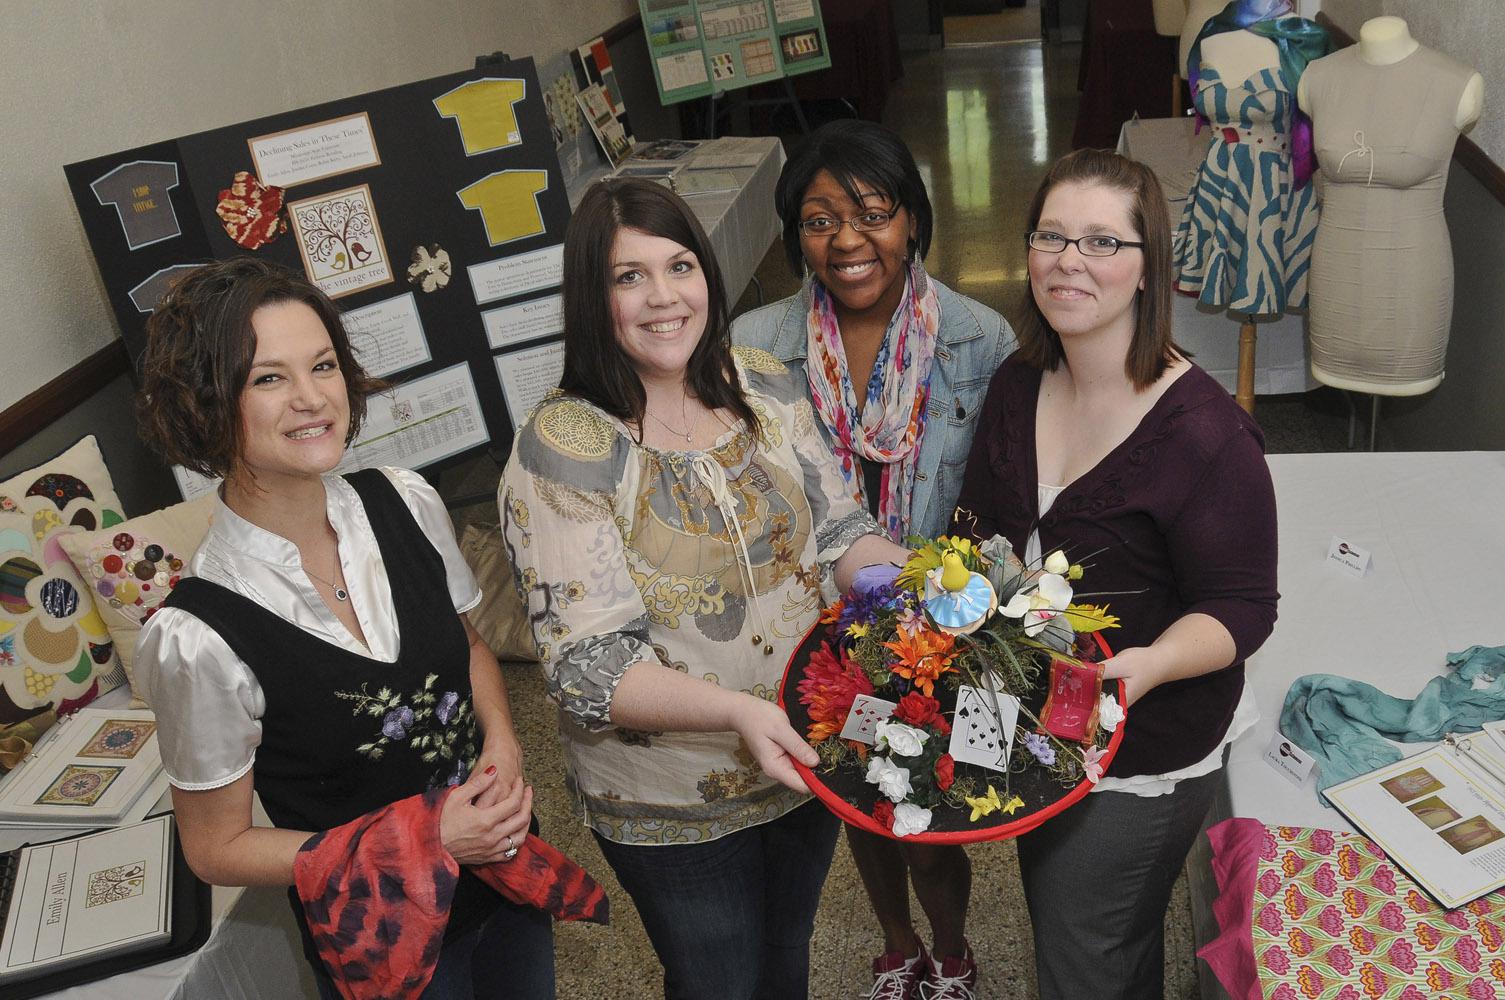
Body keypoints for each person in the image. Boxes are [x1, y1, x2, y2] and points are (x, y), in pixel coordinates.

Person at [500, 177, 909, 1000]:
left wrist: (921, 593)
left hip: (805, 744)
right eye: (628, 277)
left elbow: (835, 530)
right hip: (671, 793)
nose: (663, 298)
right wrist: (739, 714)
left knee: (786, 955)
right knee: (716, 978)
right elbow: (589, 667)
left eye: (679, 266)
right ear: (591, 297)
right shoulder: (568, 447)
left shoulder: (761, 383)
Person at [133, 258, 555, 999]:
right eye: (268, 378)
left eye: (323, 365)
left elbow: (469, 649)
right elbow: (216, 846)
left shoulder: (406, 500)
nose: (312, 398)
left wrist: (503, 743)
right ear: (206, 403)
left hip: (507, 869)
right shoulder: (196, 635)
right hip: (384, 934)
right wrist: (422, 842)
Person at [950, 148, 1279, 1000]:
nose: (1069, 260)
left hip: (1141, 743)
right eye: (1051, 236)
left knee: (1081, 950)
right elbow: (983, 528)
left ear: (1147, 270)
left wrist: (1148, 665)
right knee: (1087, 929)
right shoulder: (1019, 383)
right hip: (1040, 714)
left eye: (1102, 242)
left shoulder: (1206, 435)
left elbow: (1240, 606)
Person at [733, 118, 1013, 1000]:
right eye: (819, 220)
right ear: (795, 236)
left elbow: (1005, 495)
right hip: (820, 626)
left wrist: (964, 620)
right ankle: (897, 949)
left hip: (938, 622)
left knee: (928, 808)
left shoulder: (979, 338)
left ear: (912, 221)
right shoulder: (752, 346)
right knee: (856, 792)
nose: (848, 241)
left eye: (872, 213)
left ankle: (953, 951)